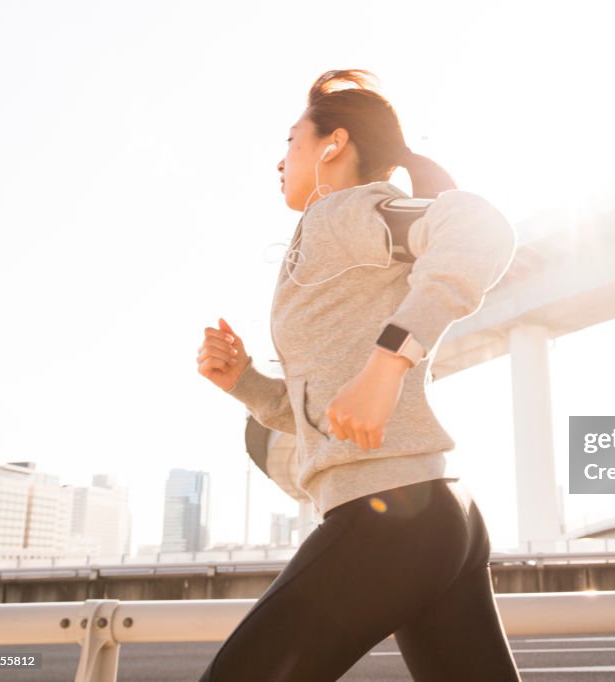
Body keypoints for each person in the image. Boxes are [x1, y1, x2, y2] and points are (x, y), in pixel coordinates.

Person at [195, 68, 522, 681]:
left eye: (290, 141)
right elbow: (325, 413)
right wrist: (245, 383)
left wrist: (388, 363)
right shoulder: (321, 238)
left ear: (333, 145)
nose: (279, 160)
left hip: (389, 509)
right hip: (432, 511)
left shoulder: (344, 214)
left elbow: (480, 226)